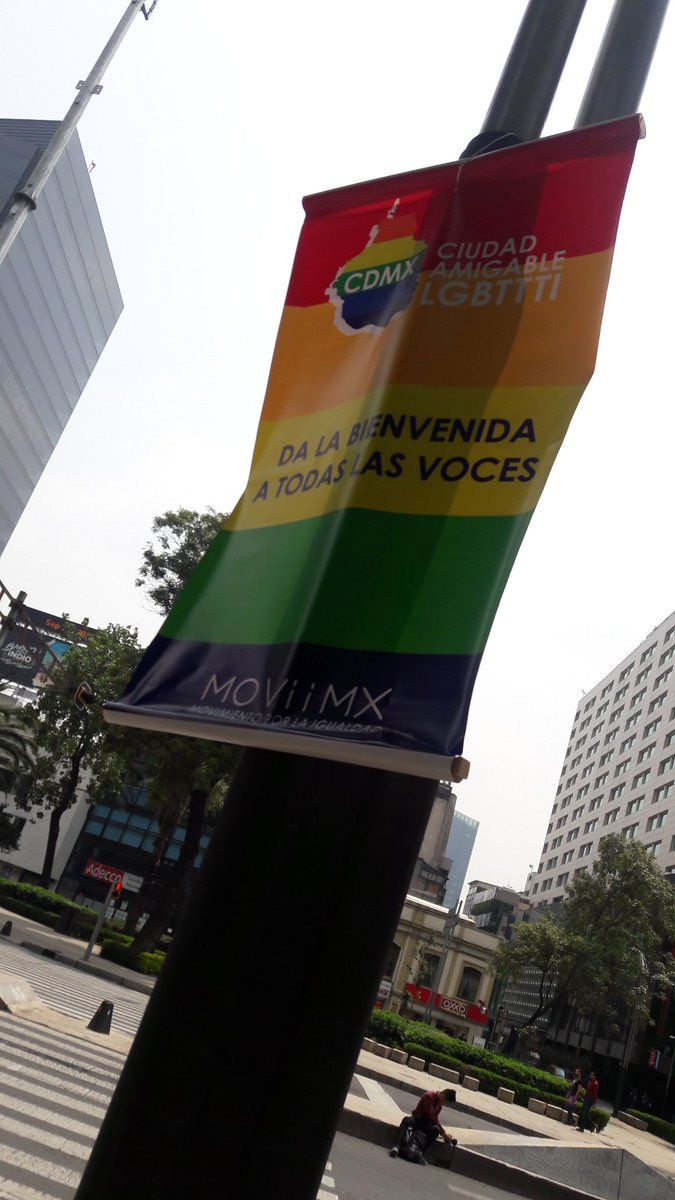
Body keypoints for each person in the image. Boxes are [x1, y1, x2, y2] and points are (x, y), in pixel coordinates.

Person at [390, 1087, 457, 1165]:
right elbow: (430, 1116)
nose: (444, 1103)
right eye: (445, 1101)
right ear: (443, 1096)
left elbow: (435, 1119)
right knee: (406, 1120)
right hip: (418, 1119)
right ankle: (396, 1147)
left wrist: (442, 1132)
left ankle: (421, 1152)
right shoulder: (428, 1096)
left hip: (427, 1124)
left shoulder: (439, 1105)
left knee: (436, 1130)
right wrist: (444, 1133)